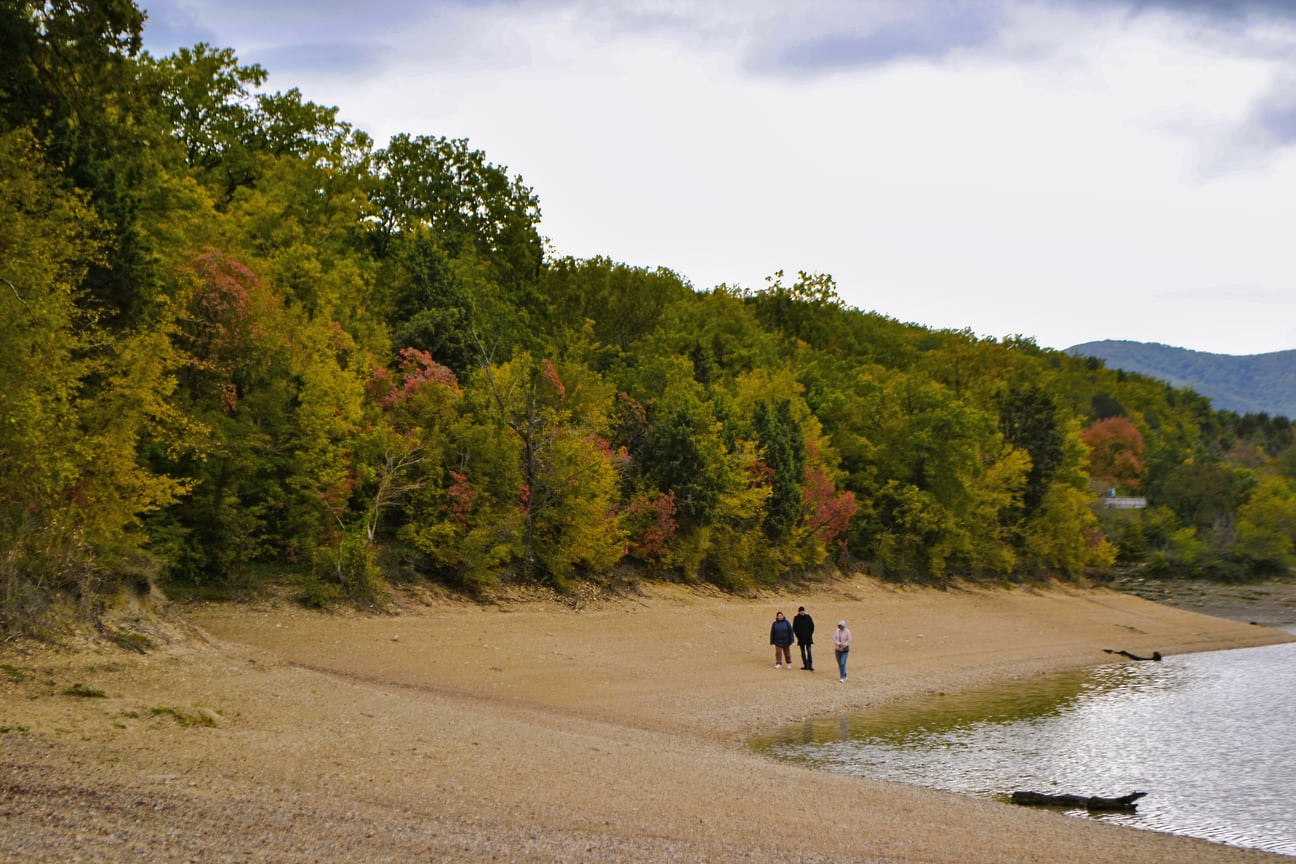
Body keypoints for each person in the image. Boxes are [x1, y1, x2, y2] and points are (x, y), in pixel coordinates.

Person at [792, 606, 815, 671]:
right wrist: (798, 636)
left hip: (808, 638)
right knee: (803, 652)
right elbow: (794, 628)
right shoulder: (796, 618)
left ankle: (810, 665)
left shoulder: (808, 617)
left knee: (809, 651)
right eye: (801, 611)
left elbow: (812, 626)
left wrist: (810, 634)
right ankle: (805, 665)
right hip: (801, 638)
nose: (802, 612)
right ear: (799, 612)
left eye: (803, 611)